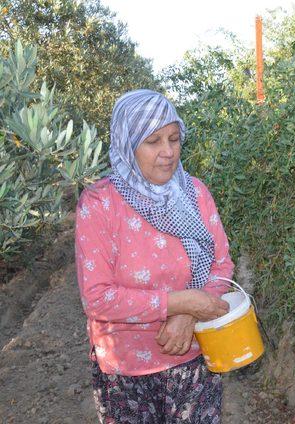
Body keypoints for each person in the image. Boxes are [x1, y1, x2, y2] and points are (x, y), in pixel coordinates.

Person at [75, 89, 234, 423]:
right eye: (153, 141)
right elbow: (98, 298)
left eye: (174, 139)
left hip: (194, 360)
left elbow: (221, 265)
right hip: (125, 373)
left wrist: (189, 316)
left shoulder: (194, 194)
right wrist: (180, 302)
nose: (168, 152)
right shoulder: (99, 204)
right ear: (127, 144)